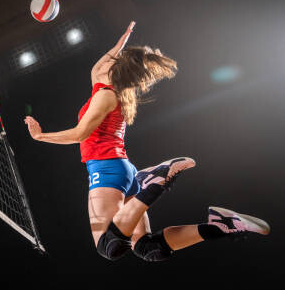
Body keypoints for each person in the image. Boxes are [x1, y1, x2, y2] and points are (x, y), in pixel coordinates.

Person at [24, 21, 270, 261]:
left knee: (109, 247)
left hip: (106, 169)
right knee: (147, 247)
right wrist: (122, 41)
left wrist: (40, 136)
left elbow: (79, 134)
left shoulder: (105, 97)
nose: (107, 61)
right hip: (121, 171)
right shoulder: (103, 86)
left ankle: (156, 181)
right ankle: (221, 225)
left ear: (119, 67)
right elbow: (102, 63)